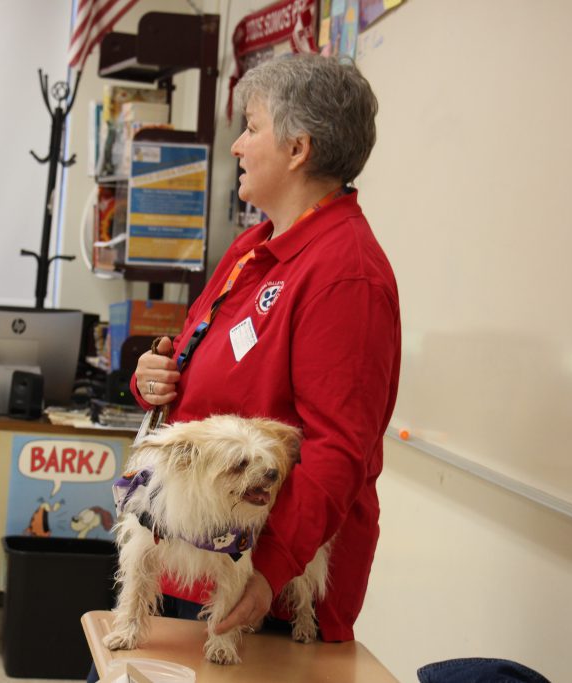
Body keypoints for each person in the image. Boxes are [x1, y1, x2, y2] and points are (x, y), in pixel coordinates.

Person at [88, 55, 398, 682]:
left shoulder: (345, 274)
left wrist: (267, 573)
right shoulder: (256, 247)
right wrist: (156, 375)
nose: (236, 144)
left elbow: (338, 449)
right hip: (188, 545)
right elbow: (196, 352)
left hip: (258, 575)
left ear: (298, 148)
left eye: (251, 127)